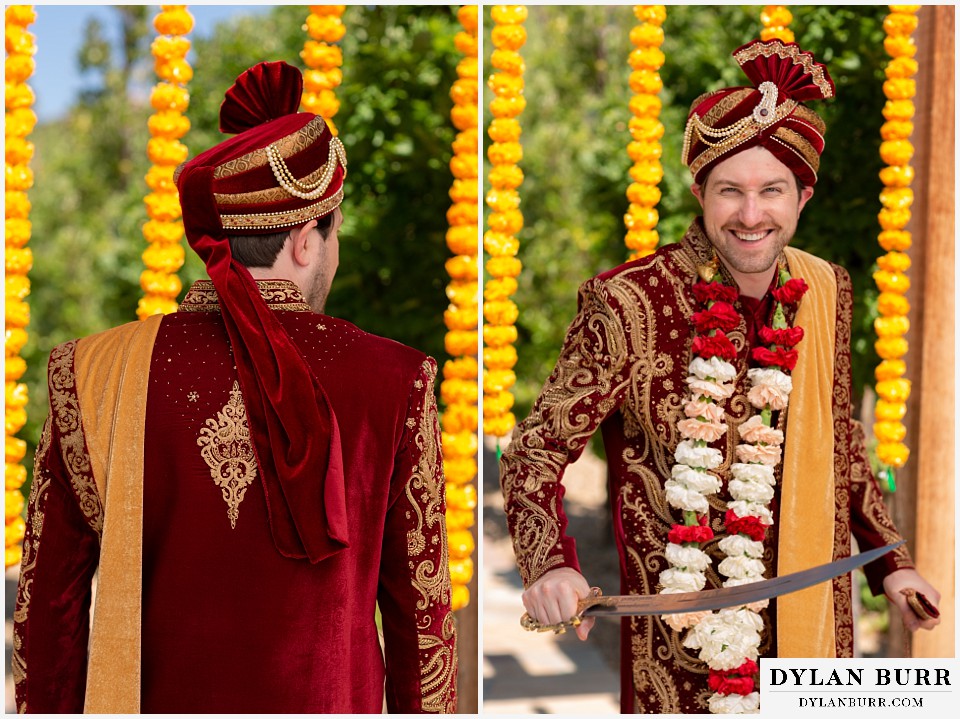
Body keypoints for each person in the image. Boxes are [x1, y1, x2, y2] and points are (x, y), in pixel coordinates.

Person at [500, 39, 939, 714]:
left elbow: (840, 436)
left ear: (803, 196)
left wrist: (891, 557)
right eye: (731, 190)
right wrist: (552, 561)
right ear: (700, 191)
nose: (751, 214)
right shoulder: (628, 302)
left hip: (810, 631)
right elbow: (535, 450)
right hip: (681, 655)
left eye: (772, 191)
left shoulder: (825, 289)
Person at [13, 61, 458, 714]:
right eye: (333, 237)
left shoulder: (92, 370)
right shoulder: (394, 379)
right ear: (307, 241)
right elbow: (424, 629)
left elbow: (47, 621)